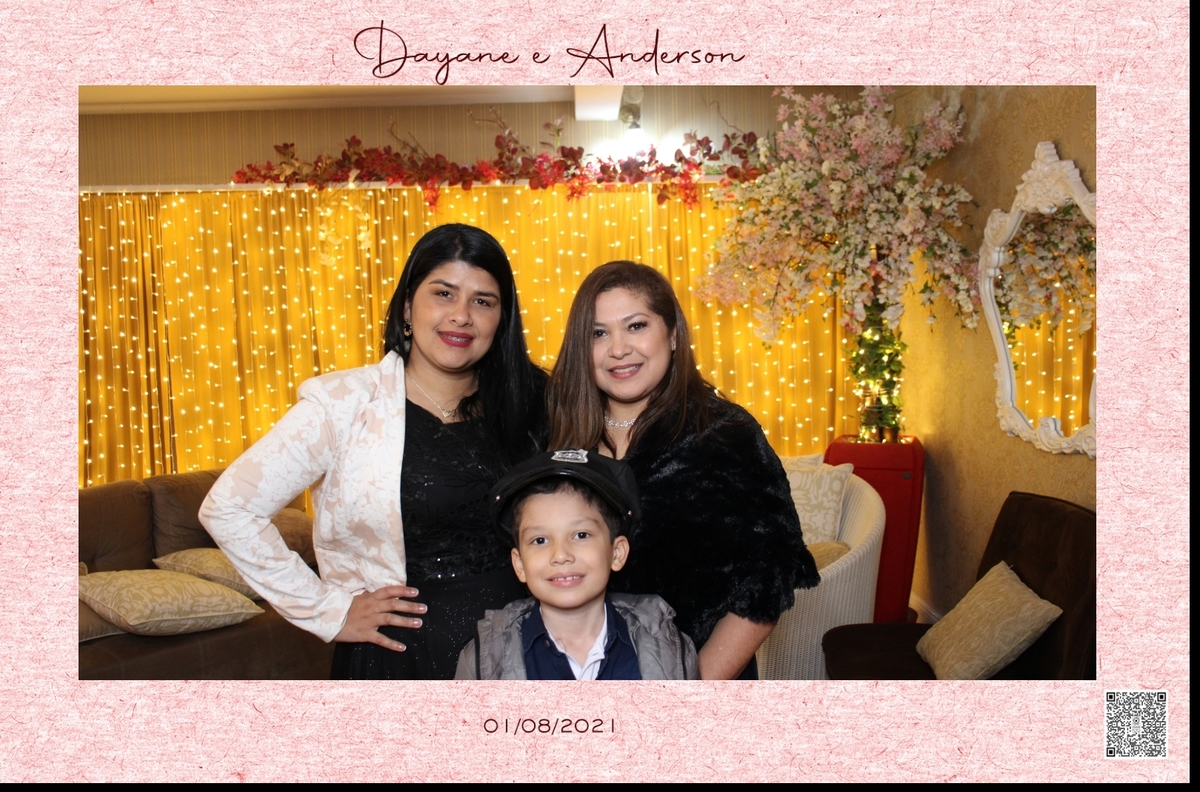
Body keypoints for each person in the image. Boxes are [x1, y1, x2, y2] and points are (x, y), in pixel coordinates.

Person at [200, 223, 547, 680]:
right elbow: (229, 508)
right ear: (407, 306)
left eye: (482, 301)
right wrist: (329, 610)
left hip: (526, 647)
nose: (461, 315)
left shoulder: (534, 402)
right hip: (402, 654)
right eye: (443, 294)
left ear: (502, 319)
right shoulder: (342, 405)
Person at [545, 261, 820, 680]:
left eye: (636, 326)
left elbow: (767, 582)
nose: (618, 349)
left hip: (694, 680)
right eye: (598, 334)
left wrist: (691, 690)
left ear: (672, 334)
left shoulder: (724, 432)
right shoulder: (560, 434)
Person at [455, 449, 699, 680]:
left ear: (616, 553)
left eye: (581, 535)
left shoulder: (669, 649)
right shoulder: (484, 660)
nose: (561, 555)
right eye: (540, 540)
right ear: (519, 564)